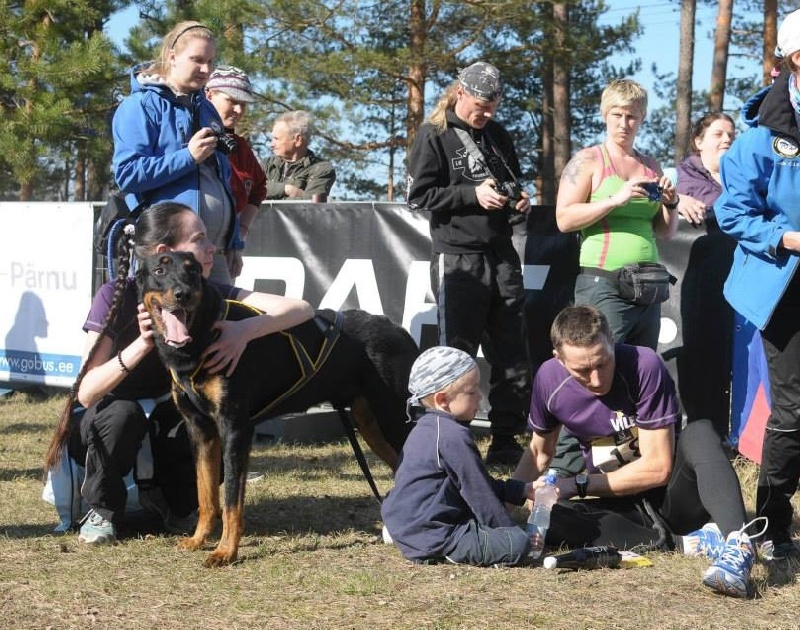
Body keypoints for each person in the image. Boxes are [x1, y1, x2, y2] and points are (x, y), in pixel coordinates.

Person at [43, 202, 314, 545]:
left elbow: (301, 309)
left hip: (163, 417)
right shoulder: (115, 294)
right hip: (107, 420)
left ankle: (172, 504)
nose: (212, 247)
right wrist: (142, 344)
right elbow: (87, 392)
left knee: (198, 418)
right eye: (200, 238)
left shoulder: (200, 289)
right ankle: (101, 508)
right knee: (123, 414)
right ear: (164, 254)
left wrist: (245, 330)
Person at [512, 305, 766, 598]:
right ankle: (688, 543)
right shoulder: (548, 379)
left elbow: (658, 468)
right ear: (559, 359)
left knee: (701, 432)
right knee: (546, 517)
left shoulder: (643, 364)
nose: (596, 380)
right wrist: (501, 509)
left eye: (602, 363)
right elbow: (539, 453)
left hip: (673, 498)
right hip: (622, 508)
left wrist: (578, 484)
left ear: (611, 340)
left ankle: (738, 543)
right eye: (582, 371)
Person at [550, 78, 679, 477]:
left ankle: (618, 467)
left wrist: (669, 205)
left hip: (647, 284)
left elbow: (664, 232)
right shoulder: (588, 160)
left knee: (636, 373)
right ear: (605, 116)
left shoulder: (650, 164)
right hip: (603, 282)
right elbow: (563, 219)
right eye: (618, 115)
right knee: (593, 368)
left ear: (642, 119)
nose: (625, 124)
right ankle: (569, 467)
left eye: (633, 117)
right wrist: (616, 198)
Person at [406, 61, 532, 467]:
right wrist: (471, 196)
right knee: (456, 351)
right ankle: (448, 438)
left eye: (493, 106)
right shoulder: (434, 135)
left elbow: (510, 182)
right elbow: (420, 195)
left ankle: (506, 438)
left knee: (512, 349)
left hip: (501, 253)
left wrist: (519, 200)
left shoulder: (497, 134)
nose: (487, 114)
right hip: (457, 255)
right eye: (481, 105)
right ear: (460, 92)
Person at [714, 8, 800, 562]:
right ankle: (770, 524)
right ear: (798, 58)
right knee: (794, 411)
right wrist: (788, 237)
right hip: (784, 286)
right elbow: (733, 214)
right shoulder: (758, 140)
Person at [381, 346, 540, 566]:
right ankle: (435, 548)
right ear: (442, 399)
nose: (480, 396)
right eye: (472, 391)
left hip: (406, 522)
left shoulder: (426, 427)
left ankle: (407, 537)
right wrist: (507, 533)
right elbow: (479, 493)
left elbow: (477, 483)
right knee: (519, 543)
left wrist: (522, 490)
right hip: (436, 533)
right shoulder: (453, 435)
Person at [112, 21, 242, 284]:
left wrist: (232, 240)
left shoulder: (207, 109)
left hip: (212, 253)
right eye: (197, 60)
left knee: (221, 324)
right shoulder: (139, 106)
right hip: (167, 253)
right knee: (172, 325)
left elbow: (222, 181)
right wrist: (188, 156)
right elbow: (127, 175)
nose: (206, 70)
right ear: (172, 57)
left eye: (210, 61)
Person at [674, 113, 737, 437]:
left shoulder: (741, 174)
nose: (727, 139)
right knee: (701, 356)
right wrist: (677, 200)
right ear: (698, 141)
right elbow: (731, 209)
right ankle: (704, 434)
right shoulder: (686, 177)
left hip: (738, 286)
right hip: (697, 286)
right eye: (718, 134)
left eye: (731, 134)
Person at [205, 66, 267, 265]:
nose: (239, 110)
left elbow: (258, 189)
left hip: (222, 253)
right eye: (232, 101)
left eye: (244, 105)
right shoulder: (185, 136)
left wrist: (240, 233)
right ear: (209, 95)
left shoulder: (240, 148)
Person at [262, 110, 336, 201]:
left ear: (298, 139)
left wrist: (269, 192)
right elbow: (249, 188)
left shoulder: (321, 169)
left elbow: (308, 205)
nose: (271, 144)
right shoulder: (267, 164)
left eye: (276, 139)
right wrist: (287, 189)